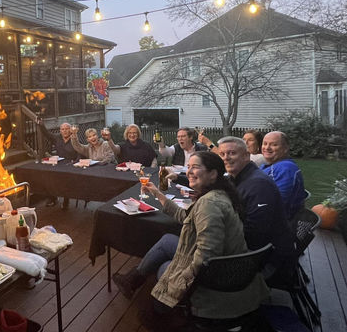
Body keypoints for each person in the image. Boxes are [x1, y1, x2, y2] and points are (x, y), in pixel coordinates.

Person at [112, 152, 268, 327]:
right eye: (189, 167)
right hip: (229, 260)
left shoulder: (209, 204)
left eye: (195, 167)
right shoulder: (219, 193)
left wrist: (180, 278)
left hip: (218, 274)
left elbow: (207, 255)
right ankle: (133, 279)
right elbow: (183, 215)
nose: (189, 172)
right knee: (168, 240)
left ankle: (161, 316)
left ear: (213, 174)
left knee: (165, 268)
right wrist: (156, 193)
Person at [217, 136, 295, 281]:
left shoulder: (258, 185)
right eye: (222, 154)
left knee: (175, 246)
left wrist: (219, 237)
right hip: (254, 252)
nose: (226, 158)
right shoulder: (237, 178)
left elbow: (255, 233)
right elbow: (215, 184)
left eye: (232, 153)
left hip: (265, 260)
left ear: (246, 156)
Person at [260, 131, 306, 220]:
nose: (267, 148)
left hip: (275, 224)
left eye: (274, 145)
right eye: (265, 144)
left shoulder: (286, 169)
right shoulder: (269, 165)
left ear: (285, 148)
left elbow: (278, 203)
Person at [37, 119, 80, 207]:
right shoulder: (57, 138)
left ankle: (66, 199)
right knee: (48, 175)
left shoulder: (74, 139)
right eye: (62, 129)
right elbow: (47, 134)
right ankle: (52, 198)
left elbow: (80, 151)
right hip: (59, 164)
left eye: (67, 129)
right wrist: (41, 125)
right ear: (60, 131)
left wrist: (75, 162)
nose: (65, 131)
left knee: (64, 178)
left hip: (70, 166)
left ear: (70, 130)